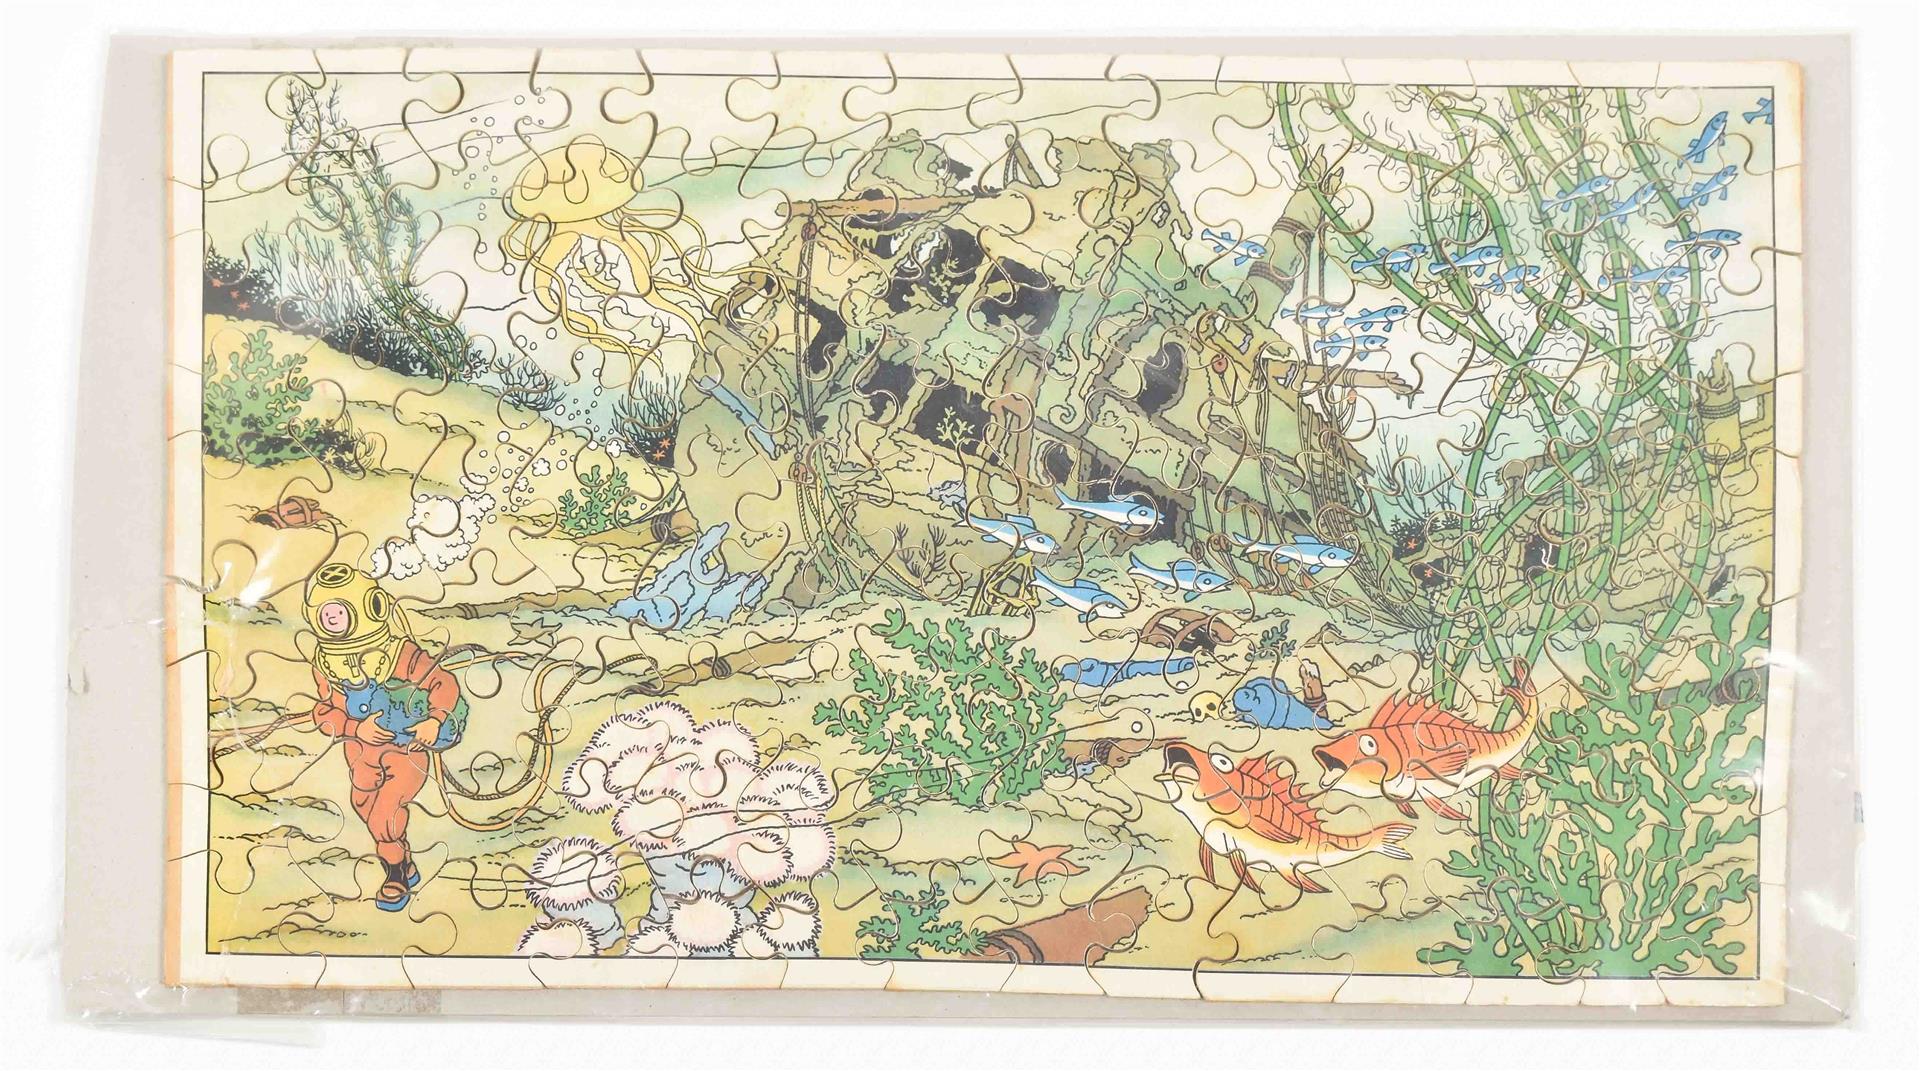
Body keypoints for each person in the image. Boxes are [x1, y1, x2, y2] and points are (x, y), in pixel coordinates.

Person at [301, 564, 464, 912]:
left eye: (341, 609)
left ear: (370, 607)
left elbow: (444, 683)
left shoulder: (400, 653)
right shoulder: (325, 664)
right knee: (364, 805)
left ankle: (395, 877)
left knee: (384, 816)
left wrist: (434, 721)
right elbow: (324, 712)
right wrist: (355, 729)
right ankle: (405, 862)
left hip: (405, 751)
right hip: (360, 756)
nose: (333, 618)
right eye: (327, 612)